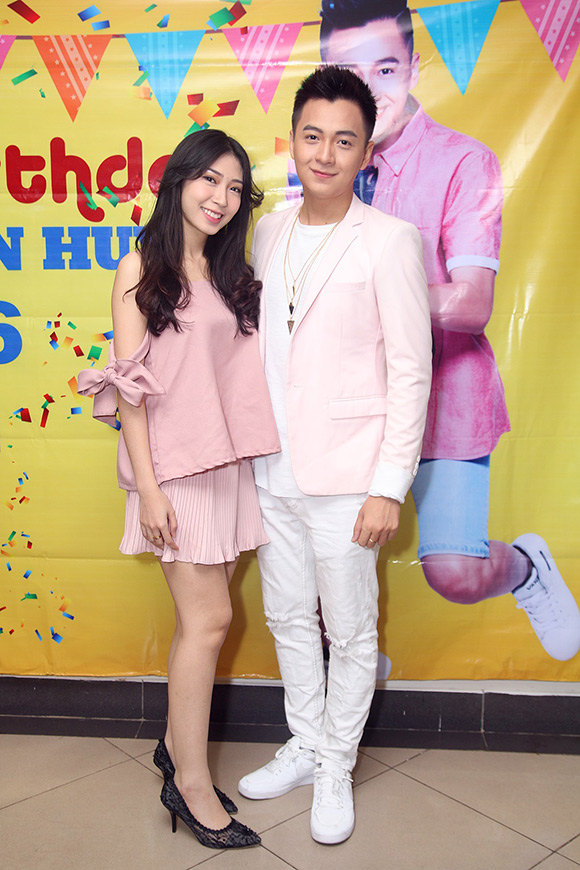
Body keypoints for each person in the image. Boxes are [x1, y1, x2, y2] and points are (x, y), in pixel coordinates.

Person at [318, 0, 580, 662]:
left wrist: (359, 292)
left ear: (414, 66)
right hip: (351, 402)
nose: (368, 90)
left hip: (446, 394)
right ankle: (351, 666)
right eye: (349, 72)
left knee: (455, 575)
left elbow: (470, 303)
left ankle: (526, 568)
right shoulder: (322, 167)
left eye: (385, 68)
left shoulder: (463, 162)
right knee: (328, 556)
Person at [237, 66, 432, 844]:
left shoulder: (390, 241)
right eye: (312, 135)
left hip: (351, 477)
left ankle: (335, 763)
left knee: (349, 631)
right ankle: (306, 741)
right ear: (292, 139)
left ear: (366, 152)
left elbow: (411, 372)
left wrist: (389, 486)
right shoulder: (268, 230)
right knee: (286, 616)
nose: (324, 153)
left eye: (343, 140)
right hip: (271, 468)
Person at [78, 129, 280, 849]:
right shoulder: (142, 266)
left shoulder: (228, 272)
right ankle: (190, 786)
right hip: (174, 471)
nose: (220, 198)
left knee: (206, 623)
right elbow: (130, 391)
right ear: (178, 181)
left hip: (226, 465)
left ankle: (174, 749)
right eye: (209, 180)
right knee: (211, 622)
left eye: (235, 188)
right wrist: (150, 488)